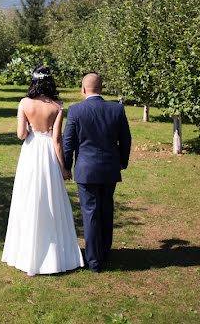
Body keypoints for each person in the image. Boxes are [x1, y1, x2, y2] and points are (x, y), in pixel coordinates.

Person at [1, 66, 85, 275]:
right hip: (47, 153)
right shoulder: (58, 106)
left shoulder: (24, 103)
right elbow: (57, 140)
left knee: (28, 198)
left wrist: (29, 128)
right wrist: (64, 167)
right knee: (50, 199)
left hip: (30, 153)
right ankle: (55, 253)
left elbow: (21, 134)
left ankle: (25, 253)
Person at [62, 72, 132, 273]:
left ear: (83, 89)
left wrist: (66, 166)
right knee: (106, 209)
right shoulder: (116, 109)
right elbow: (126, 140)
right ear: (101, 88)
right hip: (109, 168)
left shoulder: (76, 110)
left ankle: (94, 261)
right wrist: (121, 162)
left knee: (90, 213)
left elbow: (68, 142)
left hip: (86, 170)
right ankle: (105, 251)